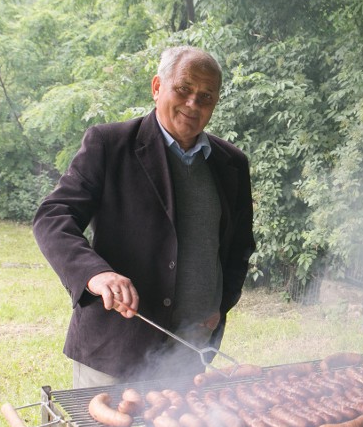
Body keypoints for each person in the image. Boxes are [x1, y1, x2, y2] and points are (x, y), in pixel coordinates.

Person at [34, 45, 255, 388]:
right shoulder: (110, 144)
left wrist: (221, 303)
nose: (193, 104)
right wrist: (96, 274)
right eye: (183, 89)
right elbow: (53, 216)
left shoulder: (232, 164)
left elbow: (239, 248)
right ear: (157, 87)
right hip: (113, 352)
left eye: (206, 96)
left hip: (188, 353)